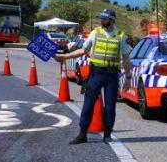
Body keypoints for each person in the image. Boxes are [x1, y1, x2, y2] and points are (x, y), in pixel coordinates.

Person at [54, 8, 132, 144]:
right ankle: (82, 134)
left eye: (105, 18)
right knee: (88, 103)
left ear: (112, 20)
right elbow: (83, 50)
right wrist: (65, 56)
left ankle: (107, 134)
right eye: (101, 18)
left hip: (112, 76)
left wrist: (128, 79)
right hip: (95, 74)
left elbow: (126, 59)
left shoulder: (121, 36)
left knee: (110, 105)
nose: (101, 20)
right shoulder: (95, 33)